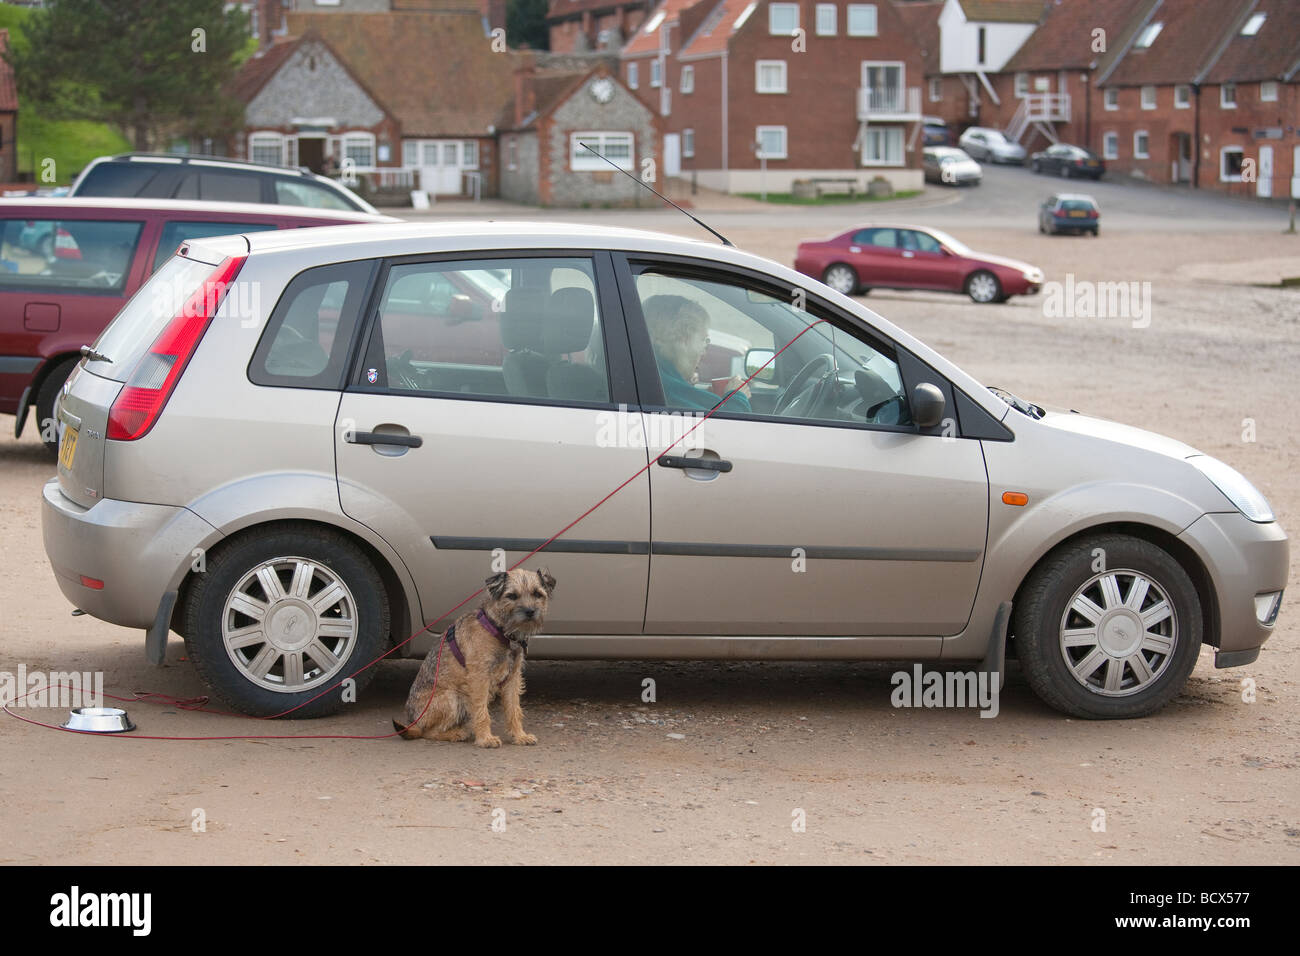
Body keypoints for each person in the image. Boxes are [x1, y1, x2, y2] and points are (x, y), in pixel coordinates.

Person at [642, 294, 751, 413]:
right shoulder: (668, 390)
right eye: (704, 340)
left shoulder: (653, 375)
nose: (704, 352)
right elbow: (730, 428)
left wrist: (697, 395)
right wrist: (738, 397)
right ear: (684, 337)